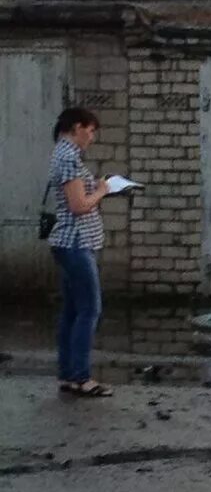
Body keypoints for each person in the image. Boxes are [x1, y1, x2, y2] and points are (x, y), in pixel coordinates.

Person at [47, 106, 113, 397]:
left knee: (73, 311)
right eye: (90, 130)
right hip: (75, 243)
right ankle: (82, 377)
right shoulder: (69, 157)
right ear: (76, 127)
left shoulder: (63, 154)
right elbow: (78, 205)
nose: (92, 136)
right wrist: (102, 190)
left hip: (70, 242)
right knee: (90, 310)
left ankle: (68, 375)